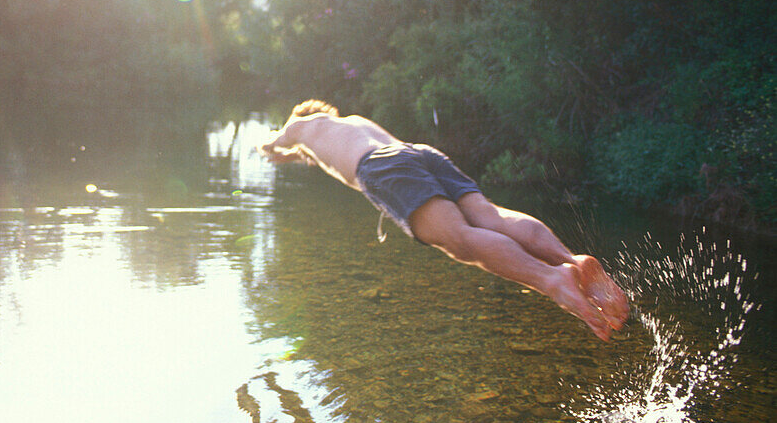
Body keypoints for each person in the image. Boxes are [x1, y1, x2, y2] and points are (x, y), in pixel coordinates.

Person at [258, 99, 629, 341]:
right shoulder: (351, 124)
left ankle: (552, 279)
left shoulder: (300, 127)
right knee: (491, 216)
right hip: (418, 154)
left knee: (462, 241)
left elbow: (280, 140)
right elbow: (319, 156)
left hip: (382, 168)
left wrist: (271, 144)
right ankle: (569, 260)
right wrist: (291, 155)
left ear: (301, 116)